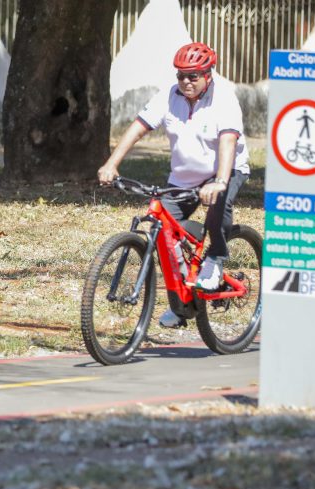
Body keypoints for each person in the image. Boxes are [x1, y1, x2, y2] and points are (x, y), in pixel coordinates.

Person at [98, 41, 251, 328]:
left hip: (225, 169)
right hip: (183, 178)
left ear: (208, 74)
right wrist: (111, 163)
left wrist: (220, 180)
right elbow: (139, 127)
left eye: (193, 75)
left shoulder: (224, 98)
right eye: (181, 75)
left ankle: (216, 258)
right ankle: (182, 308)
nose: (186, 81)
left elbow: (228, 141)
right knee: (164, 236)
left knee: (218, 204)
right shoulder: (169, 97)